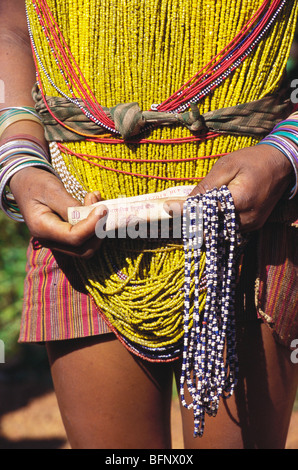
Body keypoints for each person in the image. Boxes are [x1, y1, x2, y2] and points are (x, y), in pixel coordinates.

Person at [0, 0, 297, 449]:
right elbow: (13, 28)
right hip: (79, 219)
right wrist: (19, 159)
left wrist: (286, 153)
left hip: (250, 224)